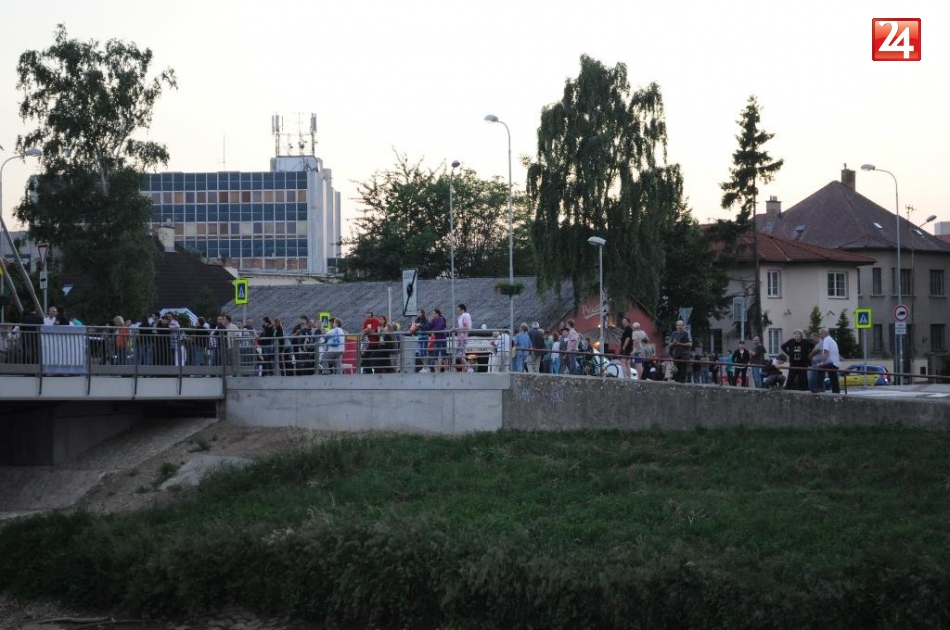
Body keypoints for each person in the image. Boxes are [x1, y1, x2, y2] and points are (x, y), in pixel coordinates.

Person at [817, 327, 841, 393]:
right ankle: (836, 391)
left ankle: (819, 388)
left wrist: (822, 362)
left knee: (820, 368)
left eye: (820, 334)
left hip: (832, 363)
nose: (820, 336)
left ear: (824, 333)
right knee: (833, 378)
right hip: (835, 363)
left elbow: (826, 352)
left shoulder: (826, 340)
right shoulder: (831, 340)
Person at [454, 303, 474, 372]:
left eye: (459, 310)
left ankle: (468, 368)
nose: (458, 311)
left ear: (462, 310)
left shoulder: (464, 316)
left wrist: (457, 329)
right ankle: (465, 369)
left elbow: (466, 327)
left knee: (459, 355)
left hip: (462, 337)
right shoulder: (462, 317)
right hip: (461, 337)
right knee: (461, 354)